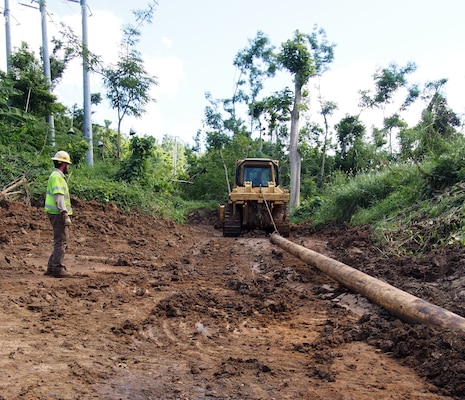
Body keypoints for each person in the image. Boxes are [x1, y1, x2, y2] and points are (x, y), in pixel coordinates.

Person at [44, 151, 73, 278]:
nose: (68, 167)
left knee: (60, 240)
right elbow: (59, 197)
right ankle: (57, 268)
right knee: (61, 241)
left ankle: (52, 267)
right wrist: (65, 213)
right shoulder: (56, 177)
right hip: (58, 213)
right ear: (63, 164)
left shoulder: (57, 176)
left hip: (56, 213)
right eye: (67, 164)